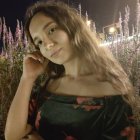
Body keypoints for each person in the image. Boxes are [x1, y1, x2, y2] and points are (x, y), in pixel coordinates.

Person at [4, 1, 140, 140]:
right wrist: (27, 78)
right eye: (39, 42)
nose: (48, 44)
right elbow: (12, 136)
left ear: (72, 27)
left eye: (51, 30)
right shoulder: (47, 85)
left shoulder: (112, 91)